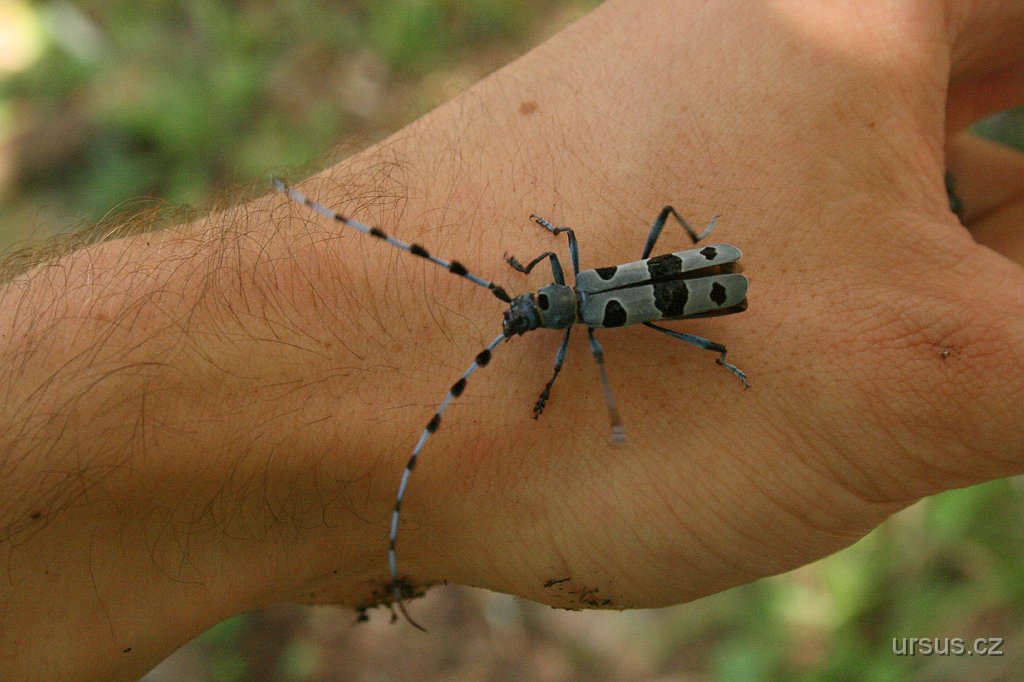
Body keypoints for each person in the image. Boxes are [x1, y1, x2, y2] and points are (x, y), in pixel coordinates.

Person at [1, 0, 1022, 678]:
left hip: (689, 288)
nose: (531, 321)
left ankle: (719, 329)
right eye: (533, 317)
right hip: (675, 279)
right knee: (663, 308)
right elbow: (556, 290)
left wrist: (594, 399)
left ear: (548, 304)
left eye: (529, 314)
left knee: (677, 329)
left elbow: (585, 330)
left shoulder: (579, 303)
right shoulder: (569, 293)